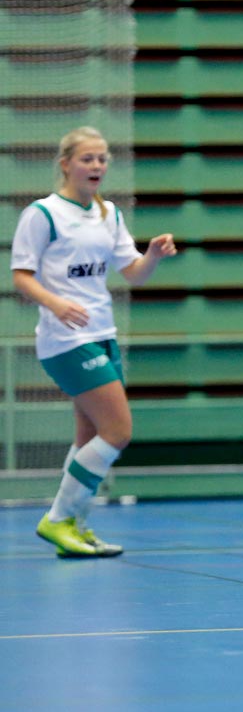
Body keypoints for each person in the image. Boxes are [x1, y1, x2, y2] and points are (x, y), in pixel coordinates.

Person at [11, 127, 177, 558]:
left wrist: (153, 256)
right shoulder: (42, 214)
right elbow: (21, 276)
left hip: (102, 333)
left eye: (103, 159)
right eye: (88, 159)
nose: (97, 166)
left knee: (89, 436)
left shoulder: (109, 215)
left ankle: (74, 524)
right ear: (65, 163)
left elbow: (133, 272)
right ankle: (58, 519)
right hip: (65, 339)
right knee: (118, 430)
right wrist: (57, 304)